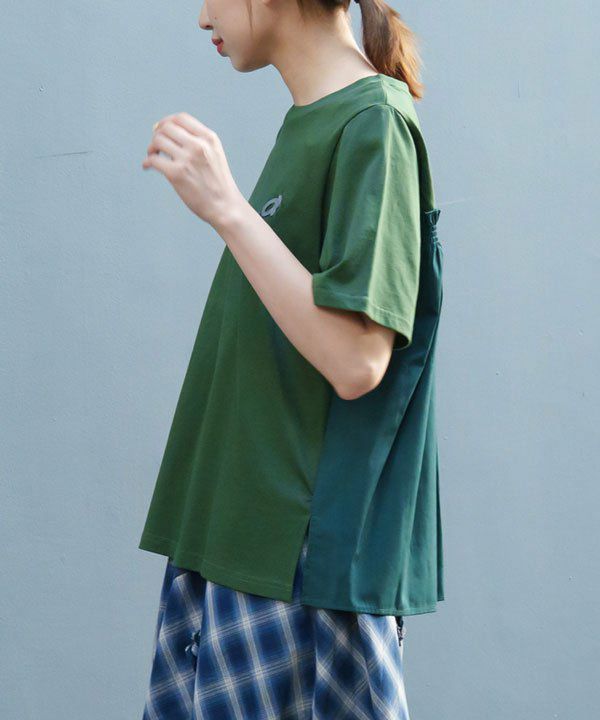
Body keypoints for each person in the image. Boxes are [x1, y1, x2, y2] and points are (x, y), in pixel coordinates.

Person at [139, 0, 445, 717]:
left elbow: (357, 360)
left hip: (294, 566)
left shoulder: (374, 123)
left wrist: (228, 209)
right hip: (242, 547)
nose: (202, 16)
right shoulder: (317, 120)